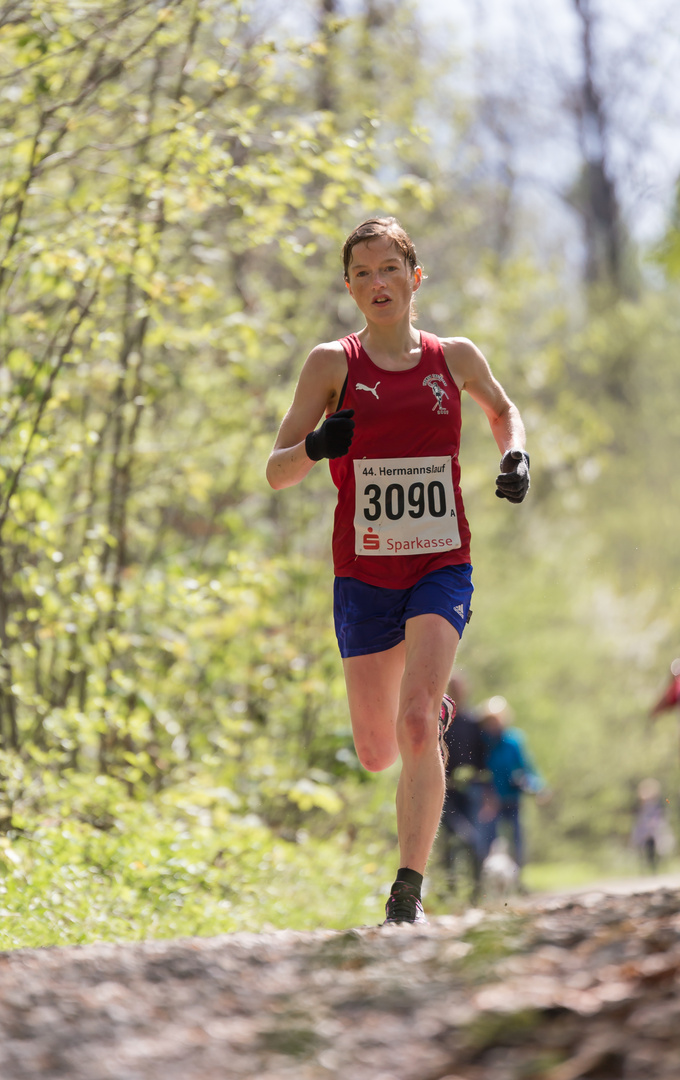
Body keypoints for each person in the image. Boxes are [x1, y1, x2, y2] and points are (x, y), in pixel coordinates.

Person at [266, 217, 530, 925]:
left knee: (417, 725)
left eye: (389, 270)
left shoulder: (455, 357)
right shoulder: (332, 364)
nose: (377, 283)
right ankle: (423, 717)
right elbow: (275, 473)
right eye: (362, 273)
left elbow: (506, 413)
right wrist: (319, 444)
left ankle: (407, 892)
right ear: (349, 287)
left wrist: (516, 455)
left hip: (442, 564)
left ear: (415, 279)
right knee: (378, 748)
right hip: (364, 573)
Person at [437, 673, 492, 904]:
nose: (457, 691)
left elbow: (483, 758)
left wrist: (489, 792)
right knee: (451, 840)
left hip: (471, 791)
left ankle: (476, 894)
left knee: (475, 841)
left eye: (460, 688)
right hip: (445, 791)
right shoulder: (441, 720)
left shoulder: (473, 722)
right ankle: (447, 894)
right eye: (453, 687)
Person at [478, 696, 544, 885]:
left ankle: (518, 881)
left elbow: (527, 768)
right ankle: (486, 885)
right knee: (488, 843)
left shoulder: (514, 741)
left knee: (516, 841)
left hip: (512, 799)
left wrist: (538, 788)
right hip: (490, 802)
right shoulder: (482, 743)